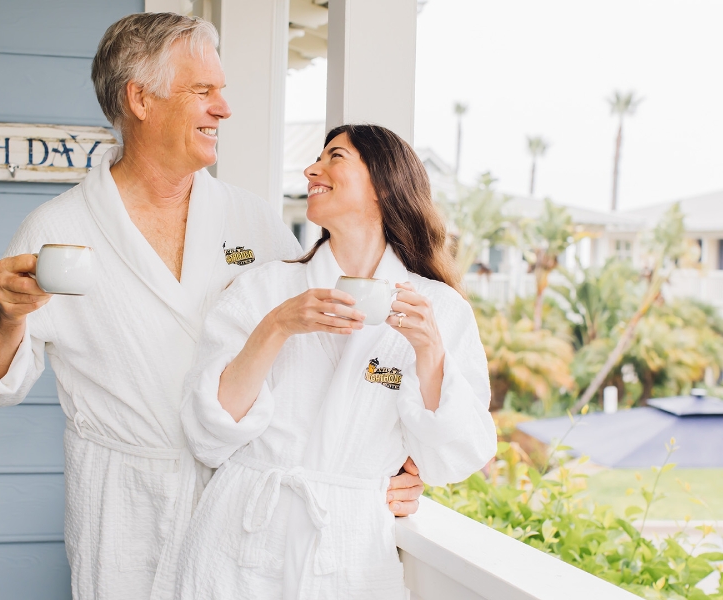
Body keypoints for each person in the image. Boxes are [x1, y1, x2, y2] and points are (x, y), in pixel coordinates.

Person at [0, 13, 423, 600]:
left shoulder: (252, 220)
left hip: (242, 508)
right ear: (140, 98)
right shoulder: (59, 228)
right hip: (124, 510)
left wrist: (396, 463)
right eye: (204, 91)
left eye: (222, 91)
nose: (224, 108)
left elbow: (328, 355)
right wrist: (7, 315)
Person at [176, 124, 497, 599]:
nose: (312, 170)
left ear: (384, 185)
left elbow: (454, 456)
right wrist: (276, 327)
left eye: (335, 157)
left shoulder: (439, 310)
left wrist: (430, 353)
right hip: (239, 540)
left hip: (349, 551)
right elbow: (208, 431)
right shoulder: (264, 289)